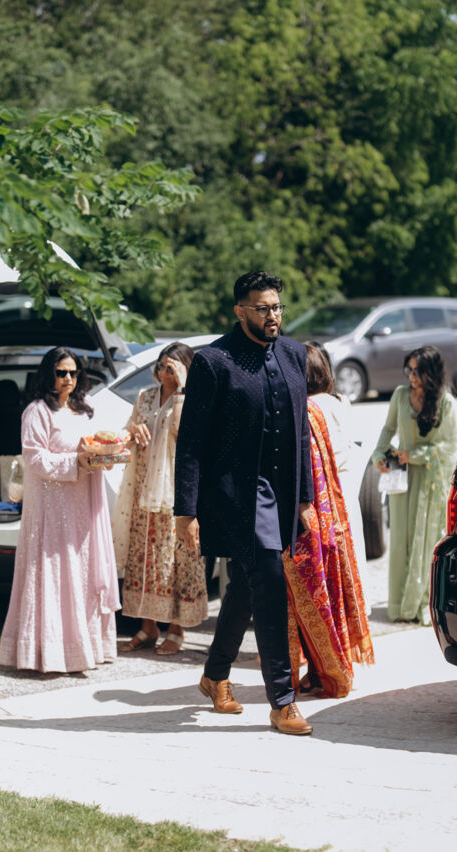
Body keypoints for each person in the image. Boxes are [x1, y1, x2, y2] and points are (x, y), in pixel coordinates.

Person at [174, 270, 316, 736]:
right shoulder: (213, 361)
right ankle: (283, 701)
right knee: (269, 580)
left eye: (277, 307)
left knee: (245, 586)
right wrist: (186, 511)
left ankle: (215, 674)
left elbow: (301, 432)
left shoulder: (295, 355)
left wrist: (305, 498)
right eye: (262, 308)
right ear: (240, 311)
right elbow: (191, 442)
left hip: (281, 492)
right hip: (236, 495)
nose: (273, 316)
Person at [0, 347, 120, 673]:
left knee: (81, 571)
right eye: (61, 372)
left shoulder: (85, 410)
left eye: (73, 373)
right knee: (53, 572)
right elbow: (35, 459)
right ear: (48, 374)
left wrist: (104, 454)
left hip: (82, 504)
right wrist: (76, 462)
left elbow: (93, 447)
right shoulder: (37, 412)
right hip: (51, 506)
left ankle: (84, 649)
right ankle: (47, 652)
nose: (68, 379)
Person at [281, 345, 375, 698]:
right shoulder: (336, 402)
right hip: (339, 501)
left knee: (318, 589)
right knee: (340, 584)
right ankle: (333, 664)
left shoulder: (307, 410)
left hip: (315, 510)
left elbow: (306, 465)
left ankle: (326, 670)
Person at [114, 342, 208, 654]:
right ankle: (148, 626)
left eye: (171, 366)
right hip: (143, 489)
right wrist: (134, 430)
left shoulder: (193, 397)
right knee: (144, 556)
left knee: (175, 559)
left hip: (176, 491)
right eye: (161, 365)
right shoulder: (145, 396)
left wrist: (181, 389)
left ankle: (177, 628)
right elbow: (128, 432)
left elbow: (184, 432)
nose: (163, 371)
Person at [372, 345, 457, 625]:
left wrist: (417, 455)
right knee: (400, 540)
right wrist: (378, 455)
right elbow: (388, 429)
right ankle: (400, 606)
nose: (411, 376)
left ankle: (422, 604)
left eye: (417, 371)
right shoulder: (400, 395)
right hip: (401, 477)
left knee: (426, 541)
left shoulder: (445, 402)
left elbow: (450, 447)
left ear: (431, 372)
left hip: (430, 481)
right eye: (408, 370)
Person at [303, 342, 368, 589]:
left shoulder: (308, 408)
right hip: (346, 491)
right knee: (353, 557)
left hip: (325, 498)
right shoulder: (336, 402)